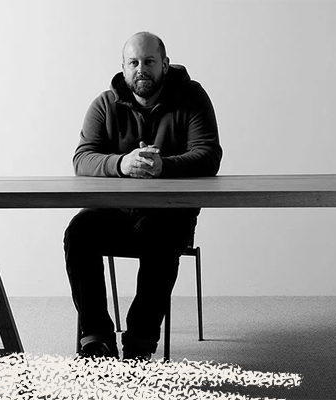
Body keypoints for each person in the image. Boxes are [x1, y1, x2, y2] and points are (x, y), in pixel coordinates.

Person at [64, 32, 223, 360]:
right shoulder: (105, 104)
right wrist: (122, 164)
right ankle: (96, 338)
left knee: (161, 236)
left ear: (164, 64)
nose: (141, 69)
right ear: (123, 67)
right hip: (114, 212)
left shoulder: (192, 98)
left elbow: (209, 155)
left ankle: (140, 342)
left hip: (170, 213)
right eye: (133, 62)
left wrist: (163, 165)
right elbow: (82, 159)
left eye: (149, 61)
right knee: (78, 233)